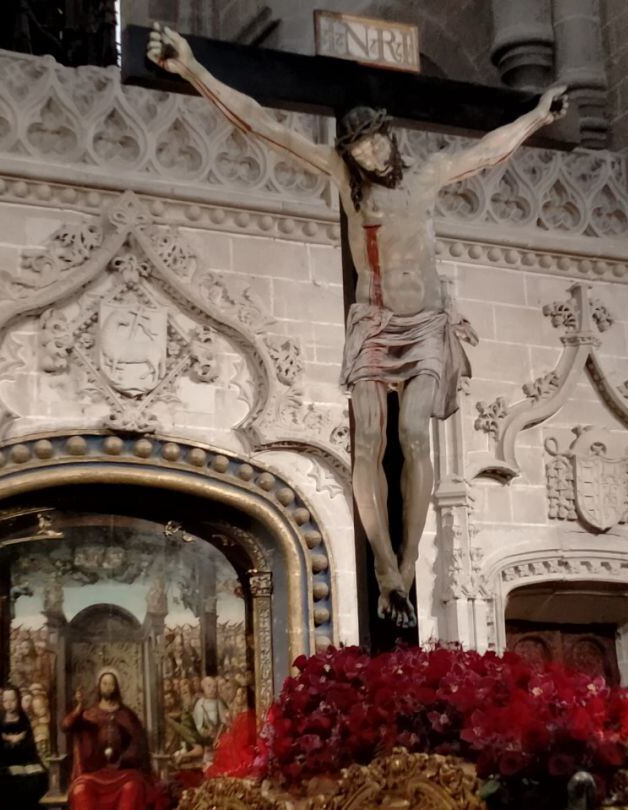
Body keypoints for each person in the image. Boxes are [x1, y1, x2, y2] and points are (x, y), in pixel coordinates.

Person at [148, 26, 568, 627]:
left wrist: (536, 117)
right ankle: (384, 569)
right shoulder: (347, 183)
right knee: (369, 444)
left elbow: (487, 150)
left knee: (416, 436)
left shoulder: (427, 179)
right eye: (359, 149)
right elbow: (262, 124)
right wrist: (191, 68)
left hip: (422, 323)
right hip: (372, 322)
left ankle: (406, 556)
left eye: (374, 144)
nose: (369, 155)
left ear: (389, 138)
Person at [61, 671, 151, 810]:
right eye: (105, 683)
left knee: (133, 788)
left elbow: (137, 745)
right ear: (99, 687)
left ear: (116, 687)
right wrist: (79, 707)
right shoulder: (89, 714)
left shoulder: (127, 715)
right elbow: (66, 726)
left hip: (123, 773)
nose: (108, 687)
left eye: (111, 684)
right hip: (94, 774)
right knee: (81, 790)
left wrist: (122, 759)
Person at [0, 685, 46, 810]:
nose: (9, 704)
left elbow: (30, 747)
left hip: (24, 762)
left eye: (12, 700)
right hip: (3, 765)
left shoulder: (24, 719)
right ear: (2, 702)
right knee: (8, 782)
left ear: (17, 700)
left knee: (38, 778)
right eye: (5, 701)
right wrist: (9, 741)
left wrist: (21, 744)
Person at [192, 676, 229, 747]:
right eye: (209, 686)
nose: (212, 689)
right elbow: (197, 725)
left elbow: (224, 721)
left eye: (214, 687)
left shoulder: (218, 702)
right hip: (204, 740)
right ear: (203, 687)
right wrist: (207, 733)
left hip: (218, 738)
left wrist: (217, 735)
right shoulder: (200, 703)